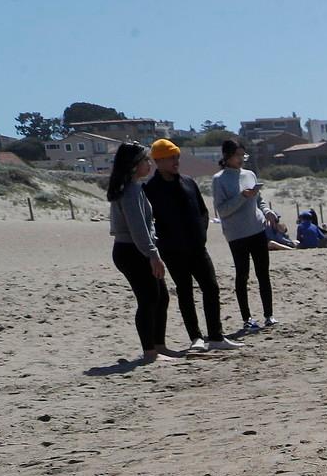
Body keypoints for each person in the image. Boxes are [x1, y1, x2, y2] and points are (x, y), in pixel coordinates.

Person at [144, 139, 239, 350]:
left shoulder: (188, 182)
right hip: (172, 251)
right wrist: (161, 245)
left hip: (197, 247)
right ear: (158, 160)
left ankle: (216, 336)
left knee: (211, 288)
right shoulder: (150, 189)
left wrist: (201, 234)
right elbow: (149, 222)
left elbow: (203, 212)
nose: (175, 161)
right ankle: (196, 338)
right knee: (185, 292)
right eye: (170, 157)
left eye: (177, 156)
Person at [104, 142, 175, 362]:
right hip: (131, 251)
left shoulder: (135, 187)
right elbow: (137, 229)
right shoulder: (130, 191)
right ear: (134, 165)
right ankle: (150, 352)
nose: (149, 163)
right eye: (145, 160)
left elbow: (147, 224)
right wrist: (153, 254)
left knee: (161, 297)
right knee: (149, 299)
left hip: (137, 249)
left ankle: (159, 346)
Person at [212, 139, 276, 332]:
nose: (241, 159)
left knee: (263, 273)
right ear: (227, 156)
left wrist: (268, 212)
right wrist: (242, 197)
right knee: (242, 275)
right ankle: (247, 318)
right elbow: (222, 210)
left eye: (243, 155)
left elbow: (260, 200)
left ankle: (269, 315)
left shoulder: (250, 174)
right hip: (237, 235)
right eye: (237, 155)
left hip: (257, 229)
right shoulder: (219, 179)